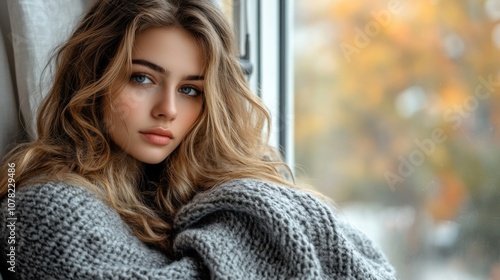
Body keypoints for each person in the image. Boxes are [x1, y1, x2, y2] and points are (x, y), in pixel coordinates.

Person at [0, 0, 396, 279]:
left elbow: (366, 264)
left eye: (190, 90)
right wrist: (253, 221)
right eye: (143, 78)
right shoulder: (41, 206)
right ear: (93, 77)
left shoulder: (201, 191)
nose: (167, 109)